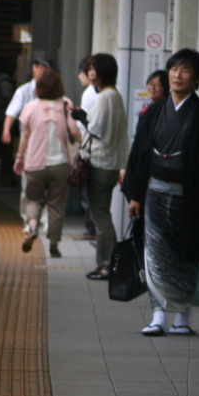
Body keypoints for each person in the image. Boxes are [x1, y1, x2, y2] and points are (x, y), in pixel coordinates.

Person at [122, 49, 199, 336]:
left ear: (197, 78)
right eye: (174, 69)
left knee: (185, 255)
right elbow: (139, 154)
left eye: (186, 70)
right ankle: (158, 316)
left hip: (191, 198)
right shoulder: (154, 113)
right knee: (154, 254)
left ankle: (183, 316)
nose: (177, 75)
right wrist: (135, 194)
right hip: (154, 194)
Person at [14, 70, 80, 258]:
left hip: (35, 164)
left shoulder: (30, 107)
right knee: (56, 205)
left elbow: (25, 136)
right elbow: (75, 131)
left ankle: (33, 227)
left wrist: (19, 158)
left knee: (34, 200)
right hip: (60, 164)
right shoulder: (64, 107)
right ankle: (53, 245)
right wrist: (85, 144)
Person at [81, 54, 129, 279]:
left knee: (100, 215)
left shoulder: (103, 97)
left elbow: (95, 129)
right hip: (111, 163)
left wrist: (81, 118)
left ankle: (108, 264)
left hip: (101, 163)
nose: (91, 73)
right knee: (102, 213)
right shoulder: (115, 95)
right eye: (89, 69)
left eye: (95, 69)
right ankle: (105, 263)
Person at [76, 56, 101, 240]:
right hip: (95, 149)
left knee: (88, 192)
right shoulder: (101, 93)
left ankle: (91, 228)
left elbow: (86, 126)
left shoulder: (90, 94)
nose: (80, 76)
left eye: (82, 72)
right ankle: (92, 227)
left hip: (91, 149)